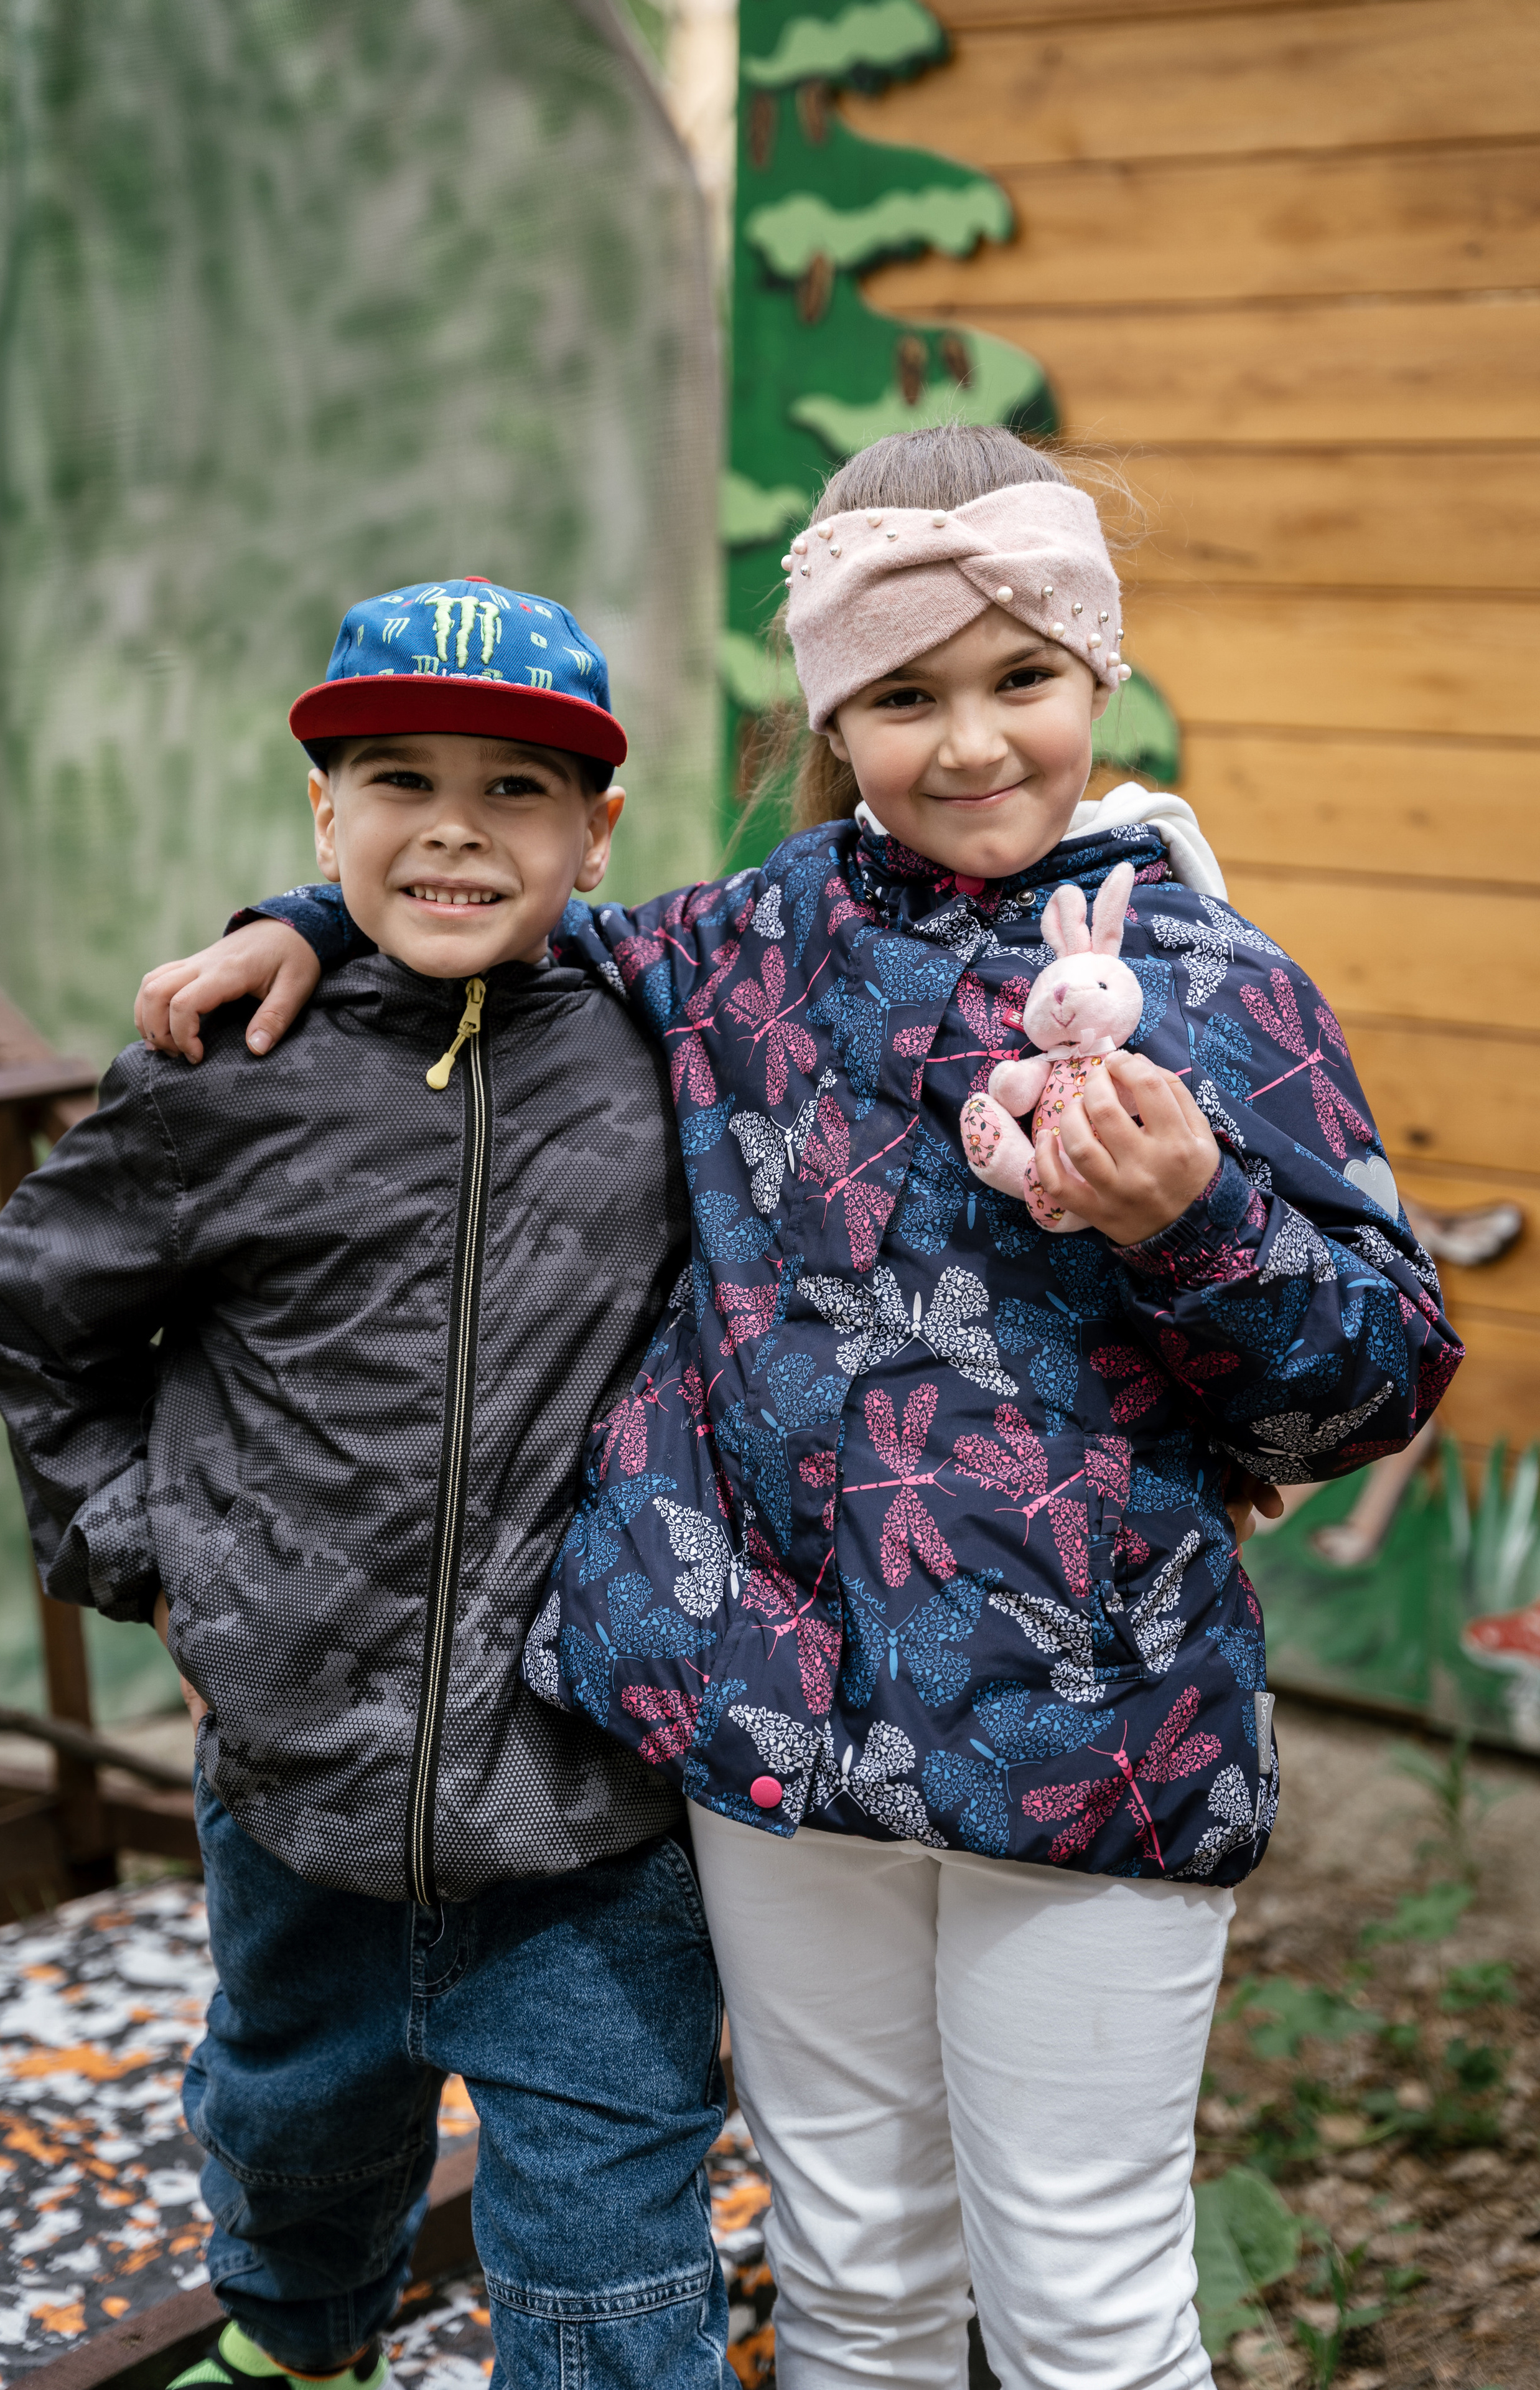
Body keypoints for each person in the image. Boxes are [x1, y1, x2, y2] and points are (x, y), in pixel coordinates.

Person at [133, 431, 1462, 2390]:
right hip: (769, 1711)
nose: (972, 742)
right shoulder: (741, 944)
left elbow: (1376, 1370)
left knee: (1088, 2300)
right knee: (852, 2265)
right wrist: (302, 922)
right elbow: (495, 903)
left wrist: (1194, 1219)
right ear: (837, 711)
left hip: (1087, 1731)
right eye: (905, 695)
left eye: (1020, 678)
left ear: (1098, 674)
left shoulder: (1207, 980)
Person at [0, 579, 734, 2390]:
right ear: (324, 807)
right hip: (296, 1780)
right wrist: (158, 1567)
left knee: (614, 2255)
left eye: (520, 787)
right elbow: (39, 1316)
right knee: (295, 2142)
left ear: (599, 829)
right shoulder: (229, 1083)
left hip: (591, 1809)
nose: (457, 824)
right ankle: (303, 2352)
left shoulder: (667, 1053)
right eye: (398, 777)